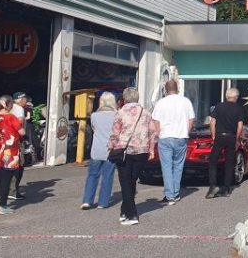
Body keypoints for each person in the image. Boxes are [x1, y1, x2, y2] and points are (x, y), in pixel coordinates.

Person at [108, 87, 157, 225]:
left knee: (125, 181)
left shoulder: (120, 112)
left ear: (124, 99)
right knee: (131, 181)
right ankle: (124, 211)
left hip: (124, 150)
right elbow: (152, 132)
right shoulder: (146, 113)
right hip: (142, 150)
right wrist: (151, 150)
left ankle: (132, 214)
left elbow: (115, 132)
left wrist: (111, 146)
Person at [151, 80, 195, 205]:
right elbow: (191, 119)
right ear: (178, 89)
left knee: (166, 166)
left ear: (165, 90)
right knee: (178, 166)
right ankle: (175, 193)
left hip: (165, 136)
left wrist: (159, 133)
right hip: (181, 136)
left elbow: (155, 120)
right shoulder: (186, 101)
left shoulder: (161, 102)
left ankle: (170, 195)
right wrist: (186, 131)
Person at [0, 95, 25, 214]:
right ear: (9, 105)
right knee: (6, 180)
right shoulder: (11, 117)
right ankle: (3, 206)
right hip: (9, 151)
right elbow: (22, 132)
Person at [81, 92, 118, 210]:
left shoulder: (94, 116)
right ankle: (103, 202)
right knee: (107, 176)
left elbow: (94, 129)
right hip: (110, 150)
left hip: (96, 149)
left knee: (92, 175)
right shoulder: (117, 116)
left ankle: (87, 200)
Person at [206, 88, 242, 199]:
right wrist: (237, 139)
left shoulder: (219, 106)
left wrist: (213, 135)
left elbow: (212, 122)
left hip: (219, 136)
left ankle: (213, 186)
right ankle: (226, 189)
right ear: (235, 97)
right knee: (229, 163)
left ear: (226, 96)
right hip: (231, 137)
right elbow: (240, 126)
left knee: (213, 160)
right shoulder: (238, 108)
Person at [9, 91, 30, 201]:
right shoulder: (19, 109)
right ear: (21, 99)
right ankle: (13, 191)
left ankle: (2, 190)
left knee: (7, 165)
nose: (26, 101)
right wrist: (23, 136)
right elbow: (19, 123)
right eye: (25, 99)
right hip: (17, 140)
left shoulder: (9, 108)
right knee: (19, 164)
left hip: (6, 141)